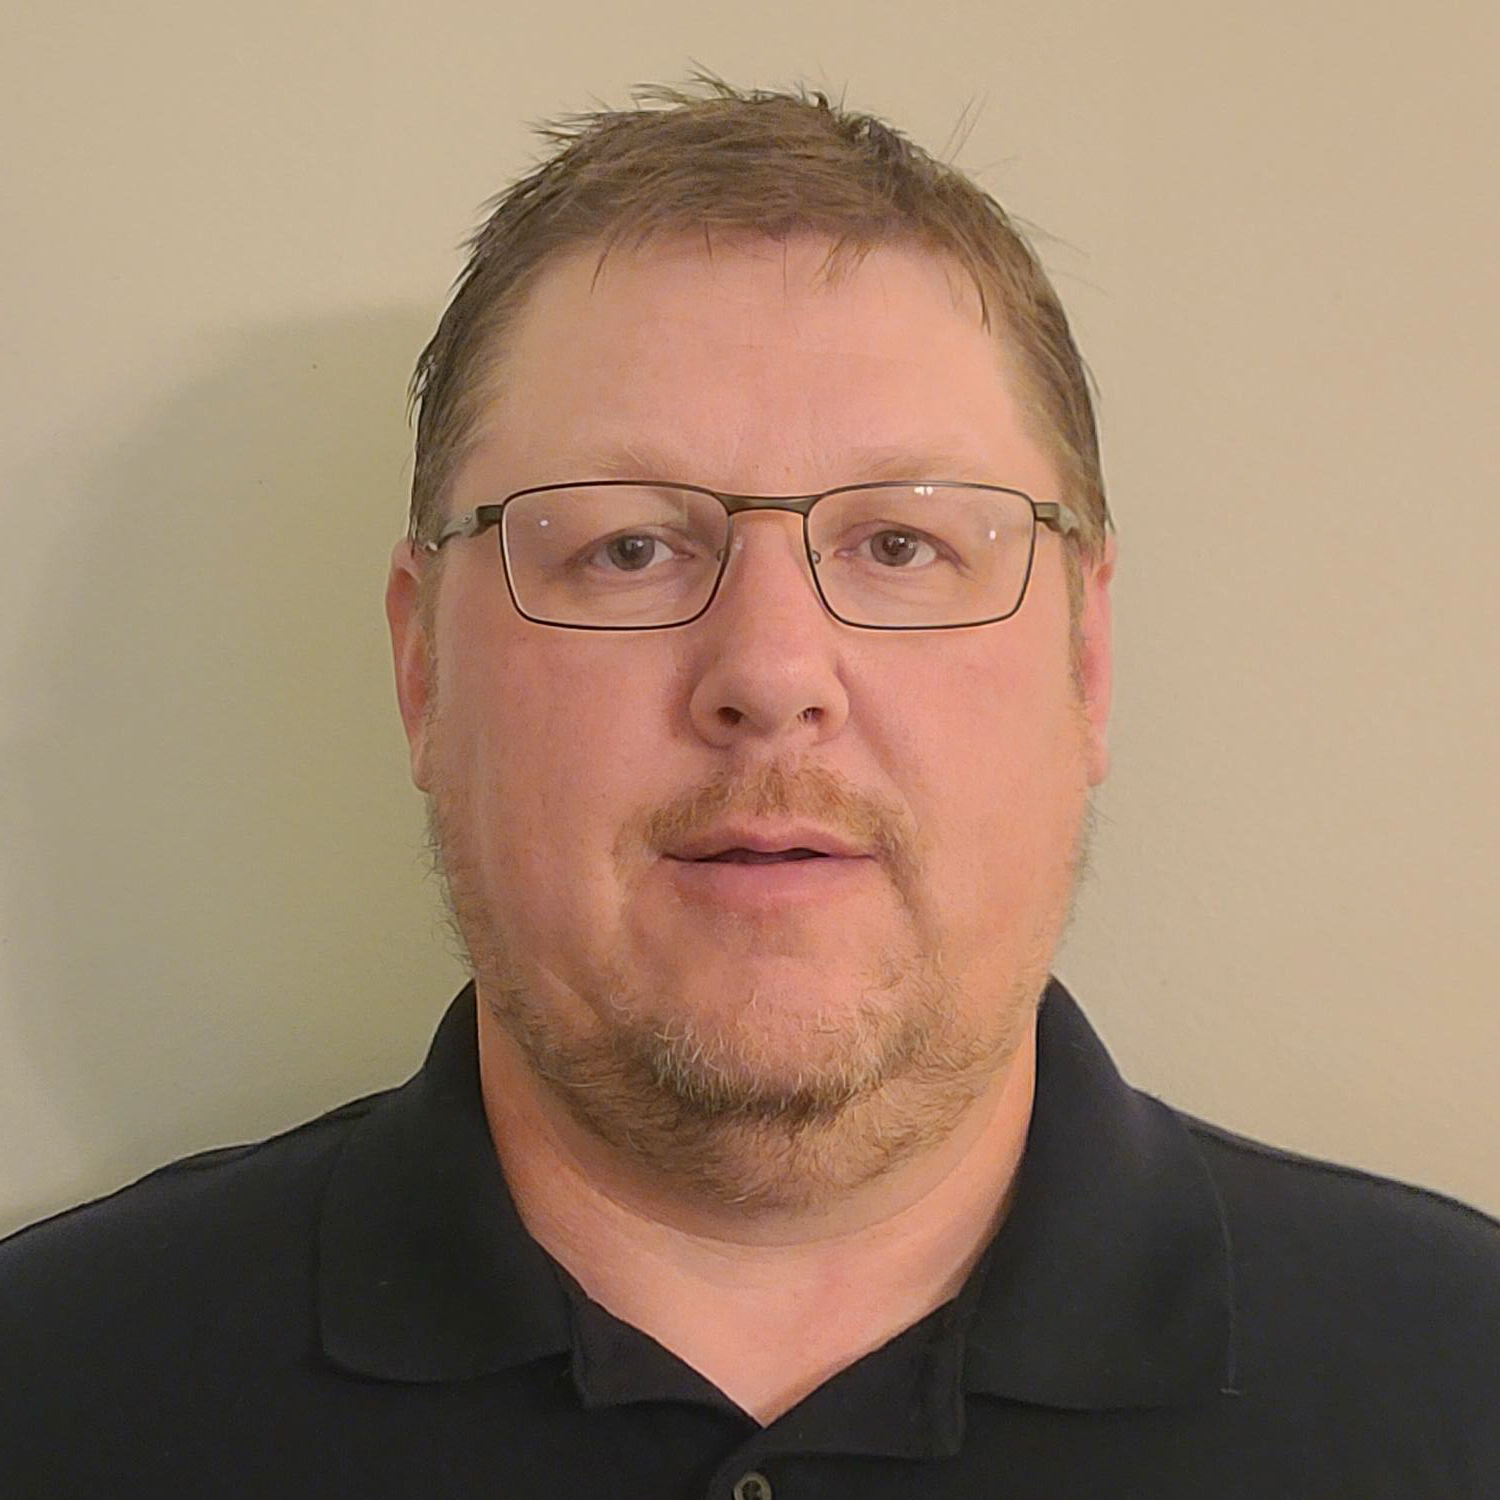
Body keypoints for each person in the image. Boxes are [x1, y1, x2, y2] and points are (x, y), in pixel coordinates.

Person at [2, 78, 1496, 1498]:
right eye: (628, 548)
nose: (772, 671)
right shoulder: (52, 1398)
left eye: (901, 546)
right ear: (421, 668)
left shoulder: (1462, 1393)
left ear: (1087, 662)